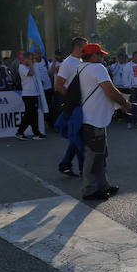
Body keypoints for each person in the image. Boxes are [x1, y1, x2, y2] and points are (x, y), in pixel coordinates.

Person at [77, 42, 131, 201]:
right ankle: (90, 189)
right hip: (95, 119)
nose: (102, 58)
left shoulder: (81, 68)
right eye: (100, 54)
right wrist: (124, 103)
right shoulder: (98, 68)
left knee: (99, 154)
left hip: (90, 117)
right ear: (93, 55)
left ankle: (102, 186)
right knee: (95, 155)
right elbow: (110, 90)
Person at [54, 36, 87, 177]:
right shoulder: (67, 63)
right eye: (85, 47)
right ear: (78, 48)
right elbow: (59, 85)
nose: (87, 50)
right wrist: (72, 100)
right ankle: (83, 169)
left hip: (82, 104)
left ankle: (65, 165)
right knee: (80, 137)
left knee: (77, 136)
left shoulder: (81, 61)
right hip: (75, 106)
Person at [14, 51, 46, 140]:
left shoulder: (27, 67)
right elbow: (31, 73)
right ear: (26, 59)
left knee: (32, 115)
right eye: (31, 59)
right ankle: (21, 132)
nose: (32, 61)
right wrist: (32, 64)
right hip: (28, 95)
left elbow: (33, 78)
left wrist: (39, 83)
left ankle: (34, 133)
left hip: (33, 93)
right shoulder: (22, 67)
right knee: (29, 115)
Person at [119, 51, 137, 128]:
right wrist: (129, 86)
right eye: (136, 56)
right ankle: (129, 121)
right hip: (132, 88)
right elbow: (124, 77)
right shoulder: (128, 65)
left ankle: (136, 121)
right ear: (133, 57)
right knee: (131, 105)